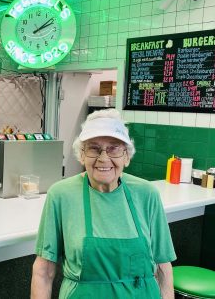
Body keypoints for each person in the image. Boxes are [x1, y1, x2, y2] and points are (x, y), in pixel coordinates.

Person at [31, 109, 176, 299]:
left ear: (127, 156)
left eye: (114, 148)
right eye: (93, 148)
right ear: (81, 155)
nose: (103, 158)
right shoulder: (60, 195)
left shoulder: (147, 194)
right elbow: (43, 272)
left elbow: (163, 267)